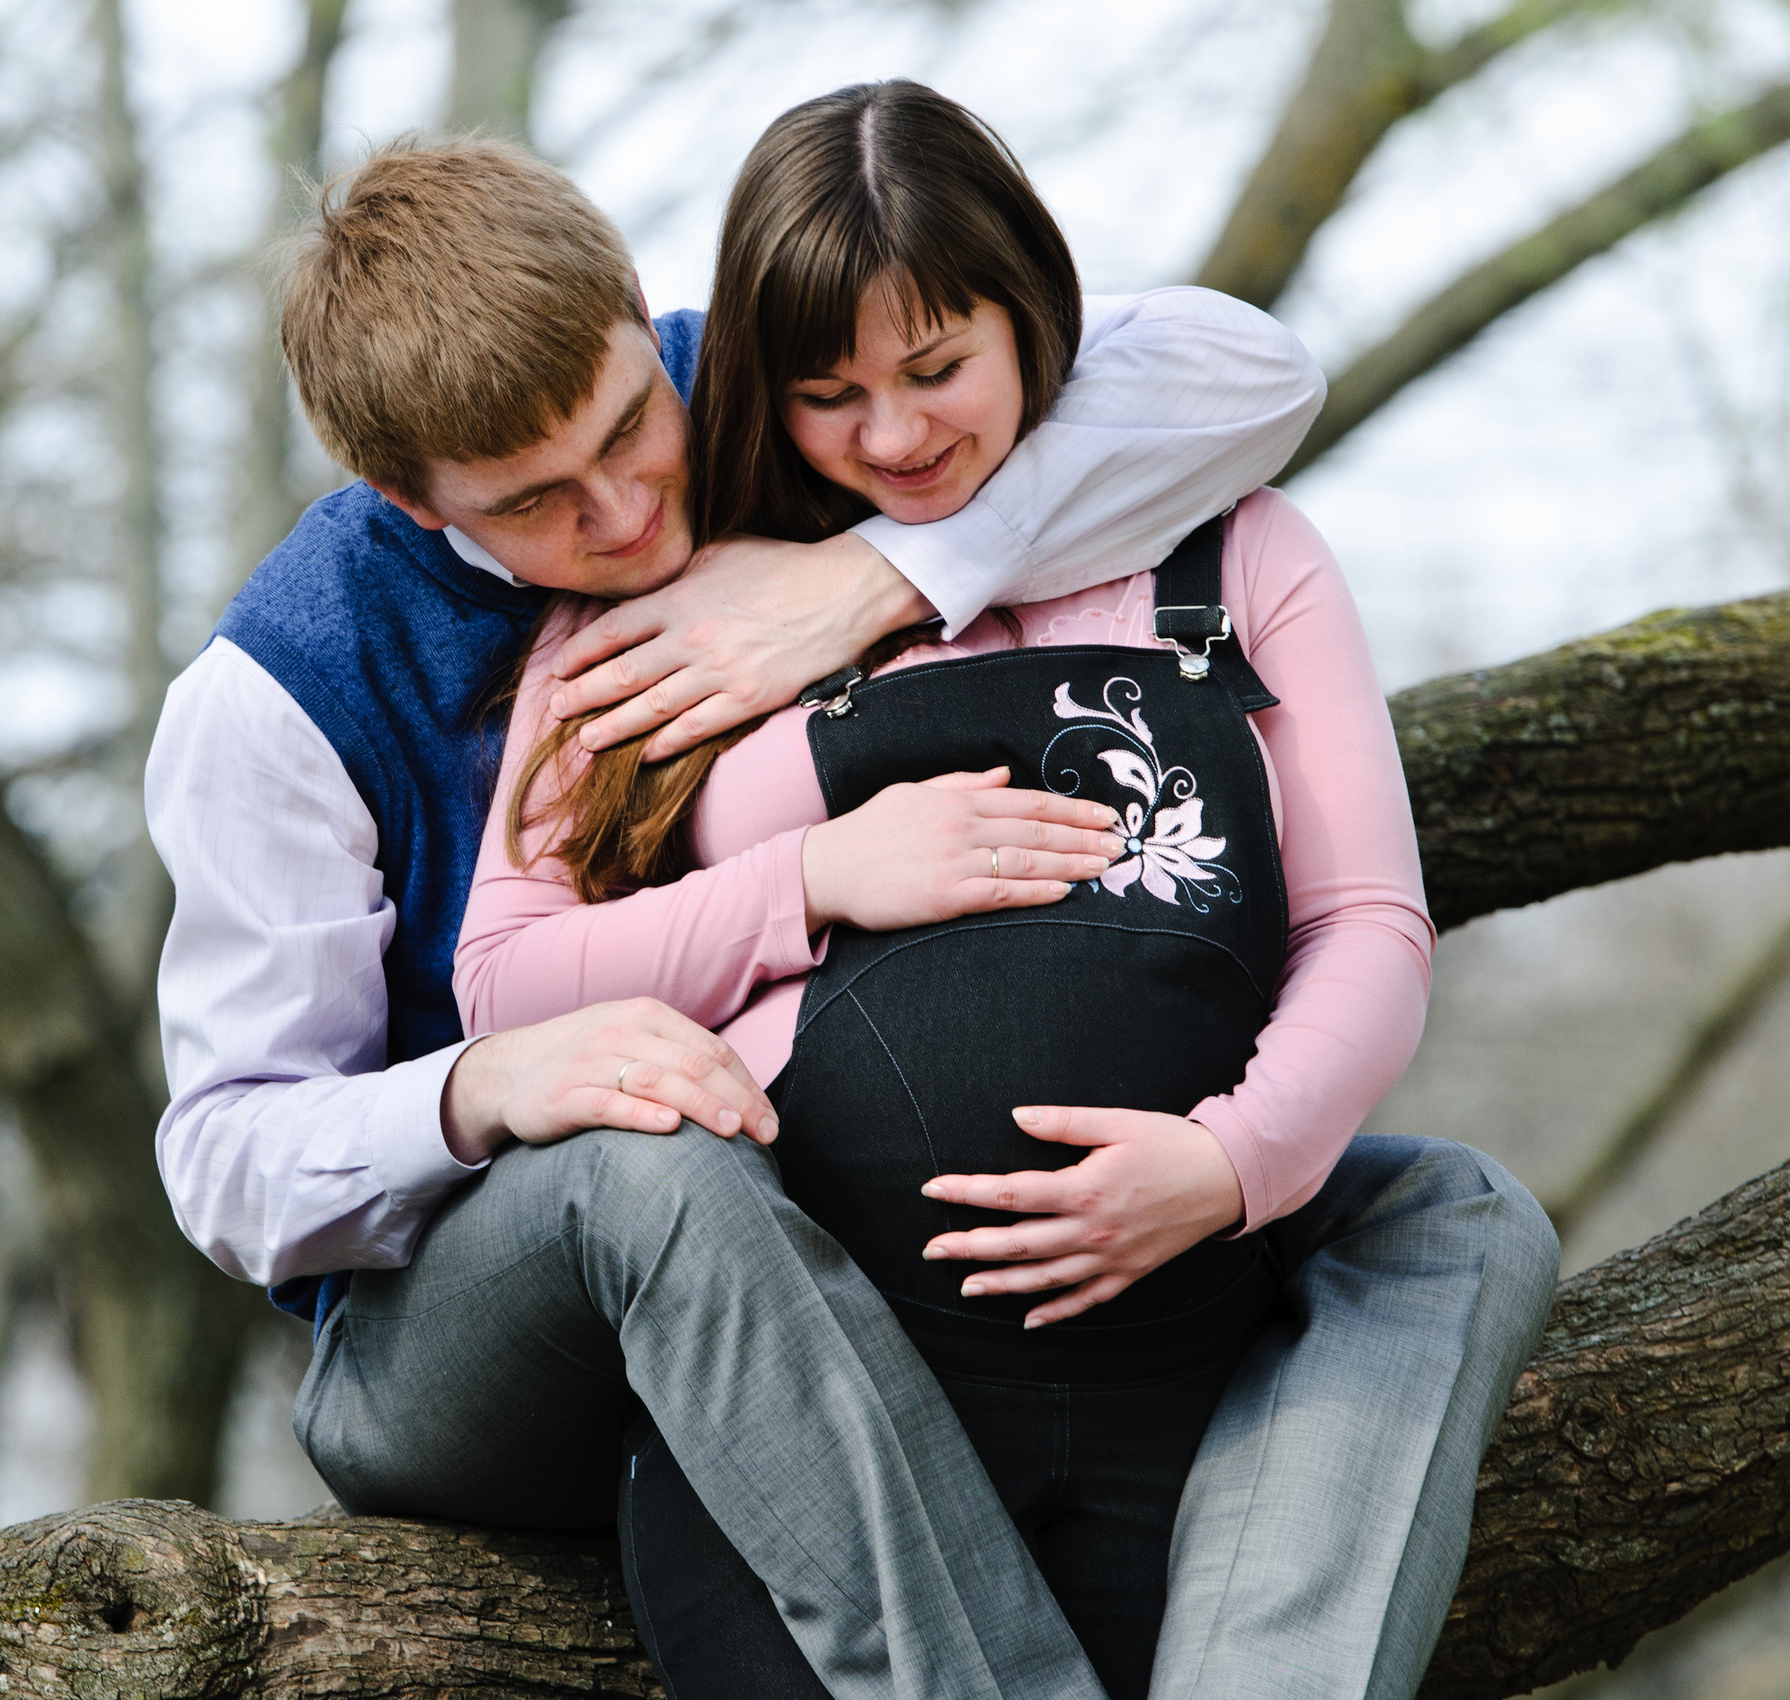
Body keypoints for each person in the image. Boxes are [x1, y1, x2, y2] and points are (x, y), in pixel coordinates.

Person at [144, 133, 1477, 1700]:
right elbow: (226, 1158)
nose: (630, 507)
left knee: (1429, 1202)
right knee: (644, 1177)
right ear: (403, 496)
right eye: (537, 500)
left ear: (646, 320)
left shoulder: (791, 390)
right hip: (474, 1324)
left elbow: (1235, 372)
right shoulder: (277, 695)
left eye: (633, 423)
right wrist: (485, 1087)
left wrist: (878, 579)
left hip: (801, 1280)